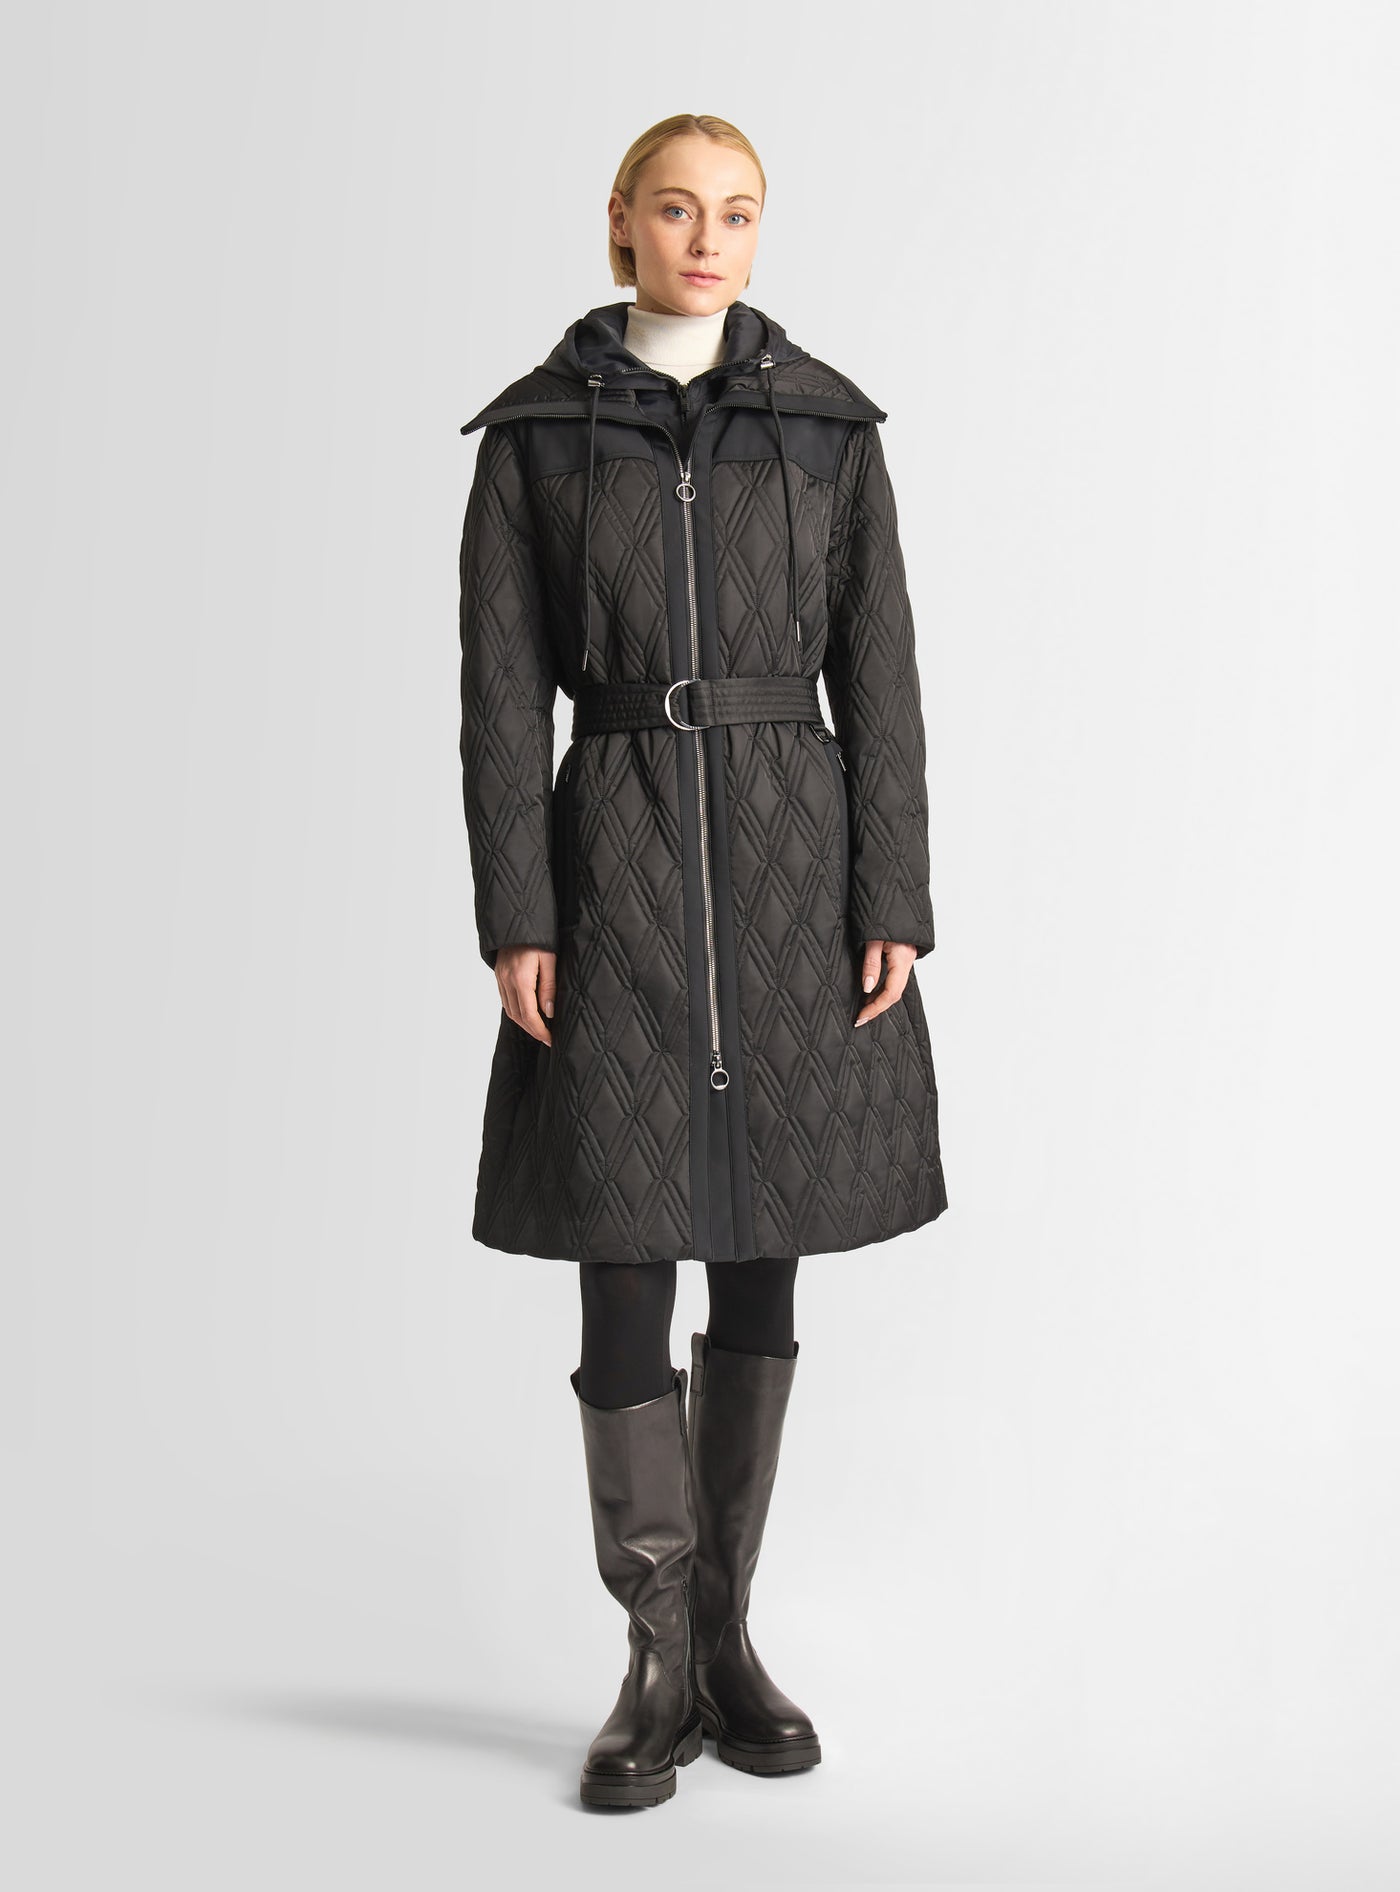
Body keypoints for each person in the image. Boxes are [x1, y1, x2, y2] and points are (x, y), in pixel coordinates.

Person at [457, 112, 948, 1809]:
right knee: (623, 1240)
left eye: (736, 212)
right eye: (677, 209)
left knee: (762, 1244)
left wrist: (895, 890)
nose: (708, 238)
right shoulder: (536, 437)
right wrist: (518, 912)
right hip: (616, 858)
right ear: (624, 222)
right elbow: (496, 695)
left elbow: (880, 673)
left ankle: (727, 1640)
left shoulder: (827, 427)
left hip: (797, 863)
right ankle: (652, 1653)